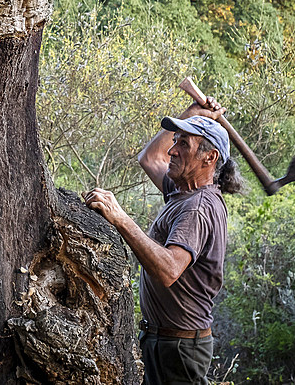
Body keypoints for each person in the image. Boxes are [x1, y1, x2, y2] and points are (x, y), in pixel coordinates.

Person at [85, 98, 244, 385]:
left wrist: (120, 217)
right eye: (176, 140)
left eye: (184, 144)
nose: (172, 150)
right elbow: (149, 158)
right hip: (163, 340)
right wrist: (193, 113)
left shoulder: (197, 207)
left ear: (210, 158)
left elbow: (169, 270)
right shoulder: (181, 189)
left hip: (179, 350)